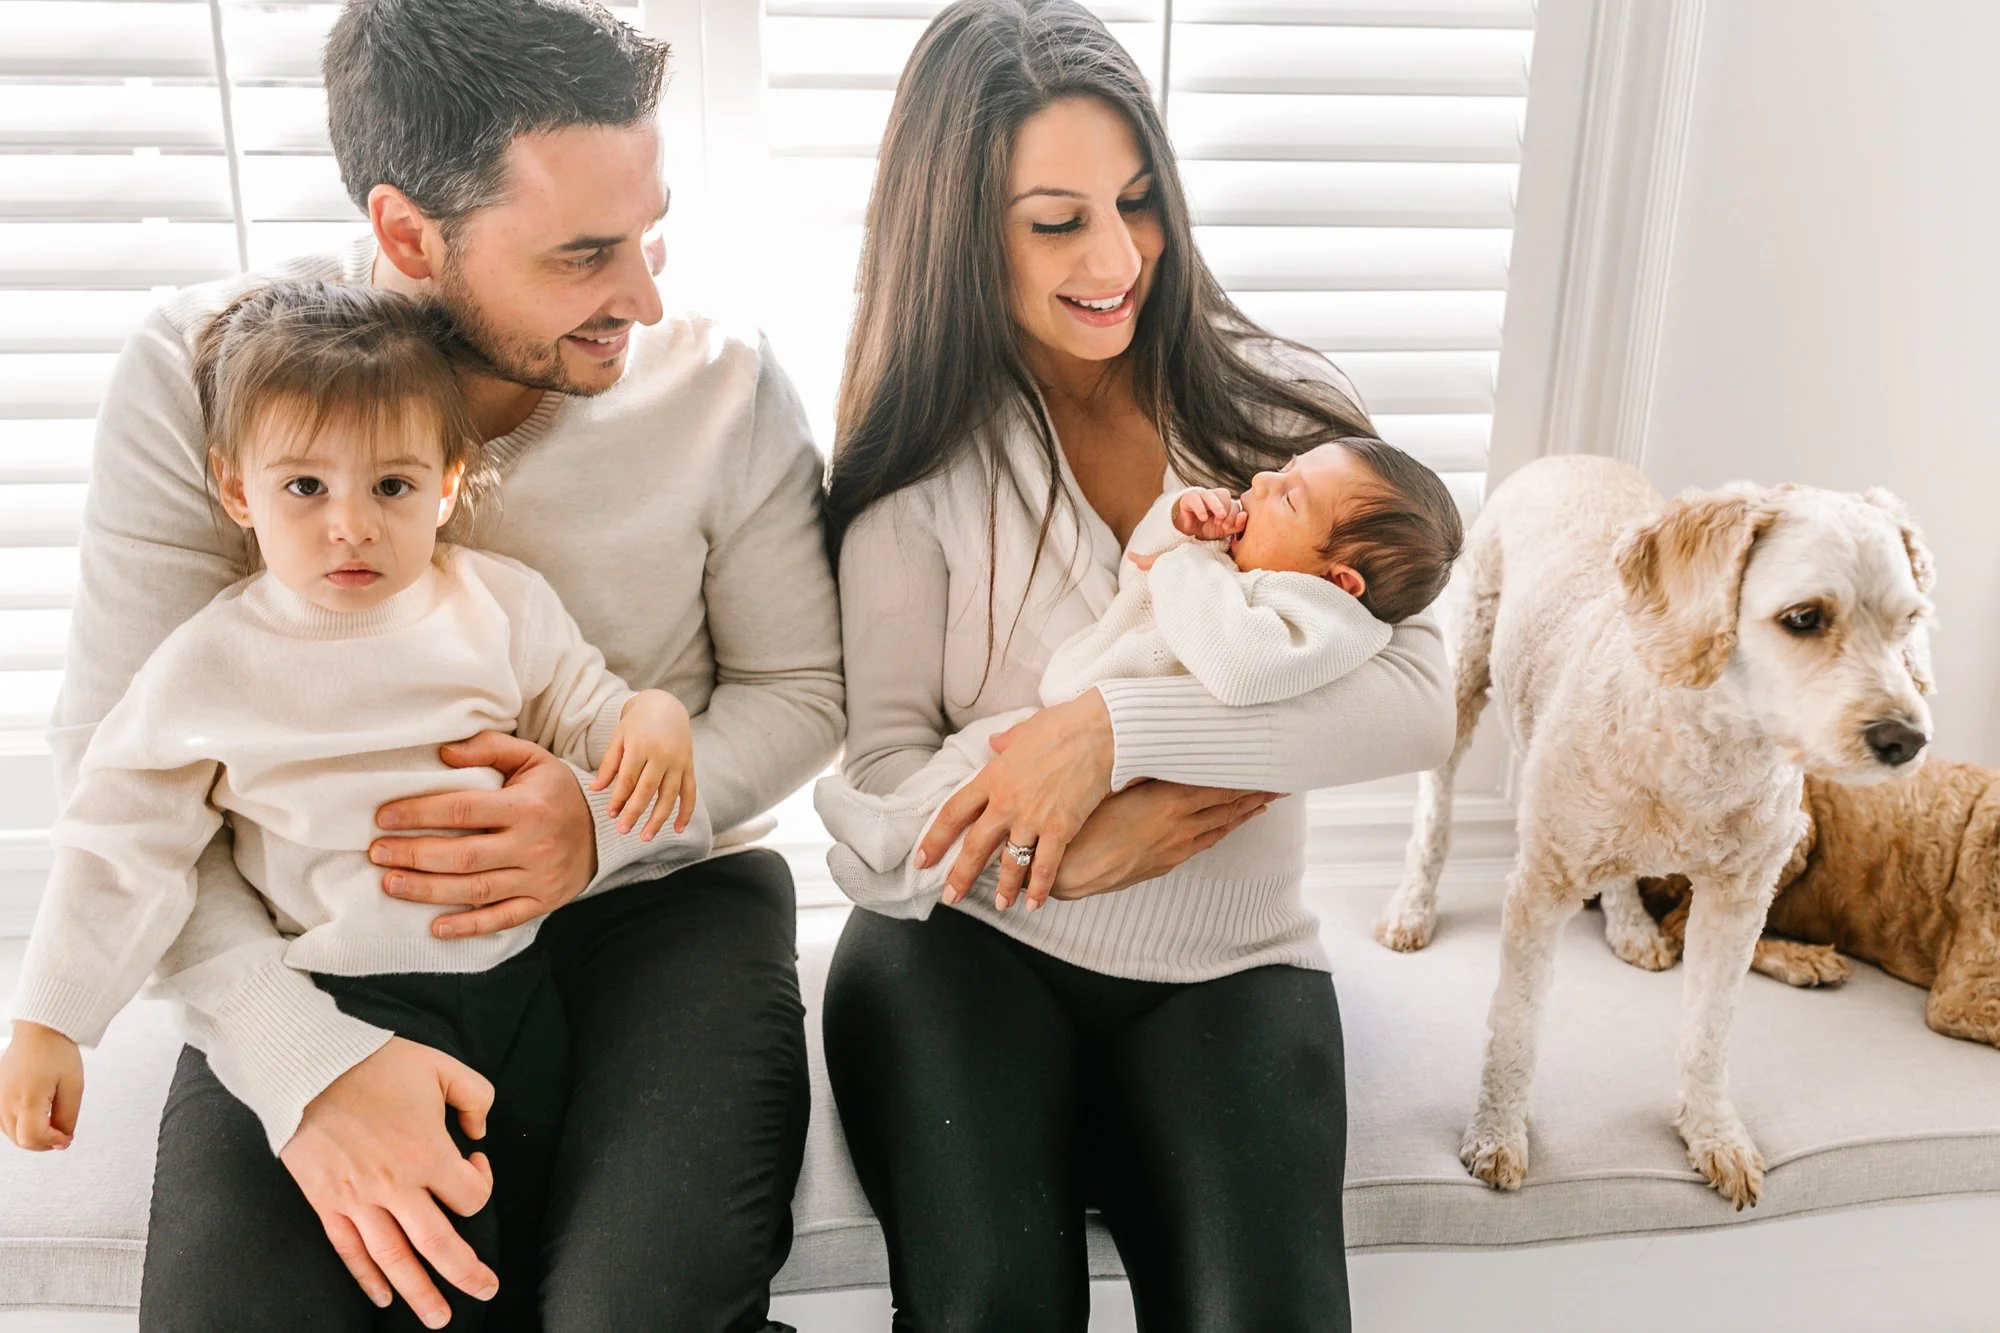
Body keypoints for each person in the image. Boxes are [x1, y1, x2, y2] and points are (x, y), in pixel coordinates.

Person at [50, 2, 843, 1327]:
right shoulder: (210, 378)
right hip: (326, 932)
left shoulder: (722, 388)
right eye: (587, 253)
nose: (644, 297)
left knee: (637, 1306)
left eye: (652, 231)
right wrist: (298, 1060)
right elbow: (117, 768)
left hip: (663, 911)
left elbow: (802, 693)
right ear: (408, 234)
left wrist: (592, 830)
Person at [817, 0, 1455, 1328]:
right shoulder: (913, 486)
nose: (1119, 256)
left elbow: (1414, 701)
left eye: (1139, 199)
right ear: (955, 235)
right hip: (963, 955)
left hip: (1228, 965)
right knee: (991, 1307)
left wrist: (1114, 734)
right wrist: (1068, 846)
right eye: (1057, 220)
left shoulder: (1287, 425)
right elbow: (874, 800)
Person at [3, 281, 702, 1326]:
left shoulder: (496, 604)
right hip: (346, 994)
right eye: (303, 489)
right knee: (428, 1270)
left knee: (528, 1252)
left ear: (448, 483)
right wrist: (52, 1017)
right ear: (236, 491)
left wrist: (651, 718)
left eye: (389, 485)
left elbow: (587, 710)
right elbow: (121, 839)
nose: (349, 527)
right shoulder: (211, 661)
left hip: (519, 988)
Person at [816, 436, 1461, 916]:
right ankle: (896, 821)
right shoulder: (1260, 564)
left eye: (1289, 496)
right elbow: (1142, 568)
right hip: (1059, 724)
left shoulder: (1320, 620)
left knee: (987, 793)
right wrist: (1184, 518)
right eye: (1283, 468)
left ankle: (908, 868)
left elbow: (1231, 664)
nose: (1261, 480)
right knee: (971, 764)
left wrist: (1194, 558)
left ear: (1340, 581)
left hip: (1133, 779)